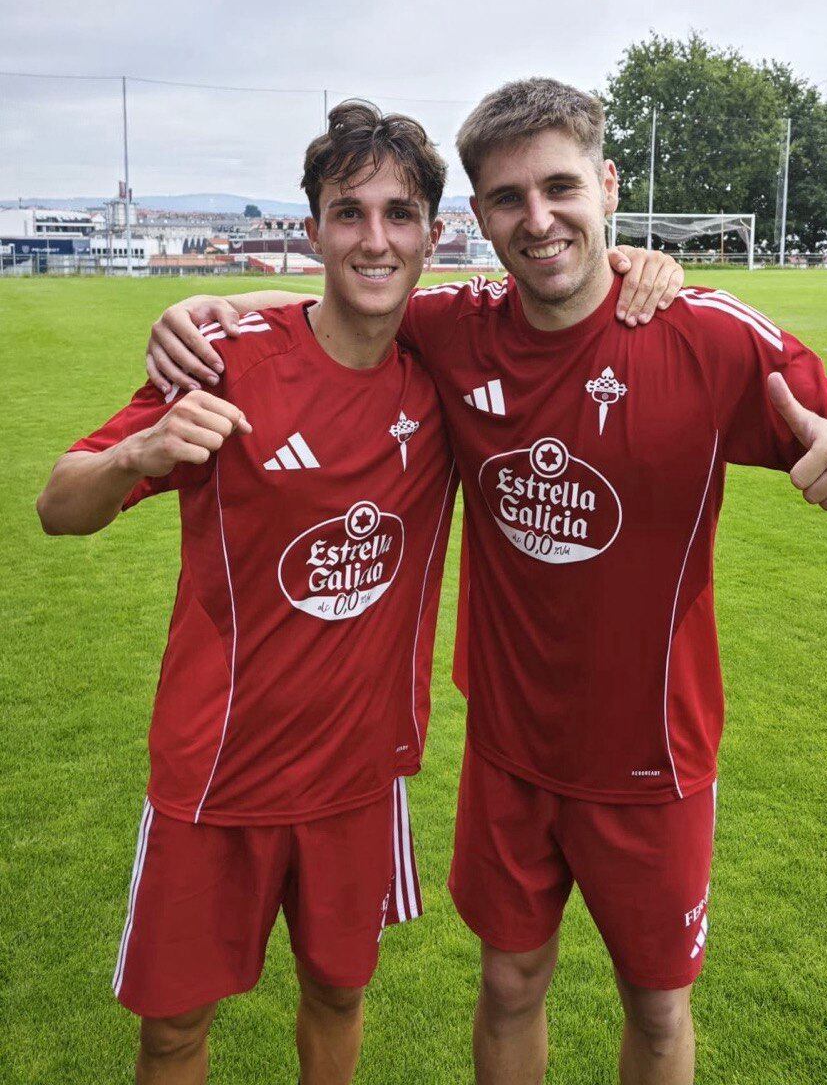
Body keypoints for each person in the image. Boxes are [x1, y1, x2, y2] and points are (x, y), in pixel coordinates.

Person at [145, 79, 827, 1085]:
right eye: (508, 198)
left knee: (656, 1010)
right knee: (510, 984)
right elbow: (349, 298)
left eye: (561, 187)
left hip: (655, 755)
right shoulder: (458, 329)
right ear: (476, 217)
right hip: (509, 751)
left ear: (607, 186)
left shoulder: (706, 336)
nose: (539, 217)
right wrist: (206, 304)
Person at [38, 99, 682, 1085]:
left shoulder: (440, 377)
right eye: (349, 212)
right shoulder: (228, 357)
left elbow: (567, 310)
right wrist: (139, 449)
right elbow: (58, 506)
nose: (374, 238)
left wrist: (646, 263)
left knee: (339, 994)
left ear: (434, 231)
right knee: (172, 1029)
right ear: (313, 230)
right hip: (214, 774)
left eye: (397, 214)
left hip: (356, 782)